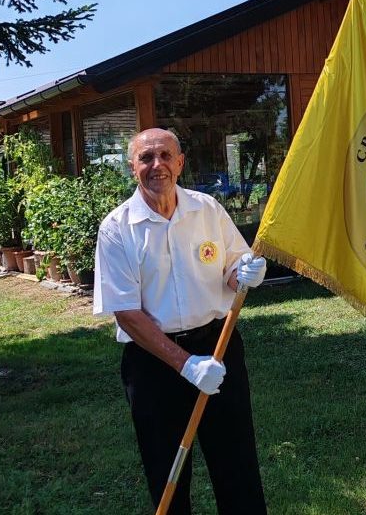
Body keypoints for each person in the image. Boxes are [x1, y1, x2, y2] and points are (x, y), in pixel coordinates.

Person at [93, 128, 268, 514]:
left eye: (165, 156)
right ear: (132, 167)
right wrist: (185, 364)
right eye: (146, 158)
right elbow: (127, 312)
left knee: (237, 464)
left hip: (218, 348)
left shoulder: (207, 210)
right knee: (167, 471)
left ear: (180, 162)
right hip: (153, 363)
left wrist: (243, 272)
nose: (157, 165)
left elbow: (230, 264)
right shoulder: (117, 229)